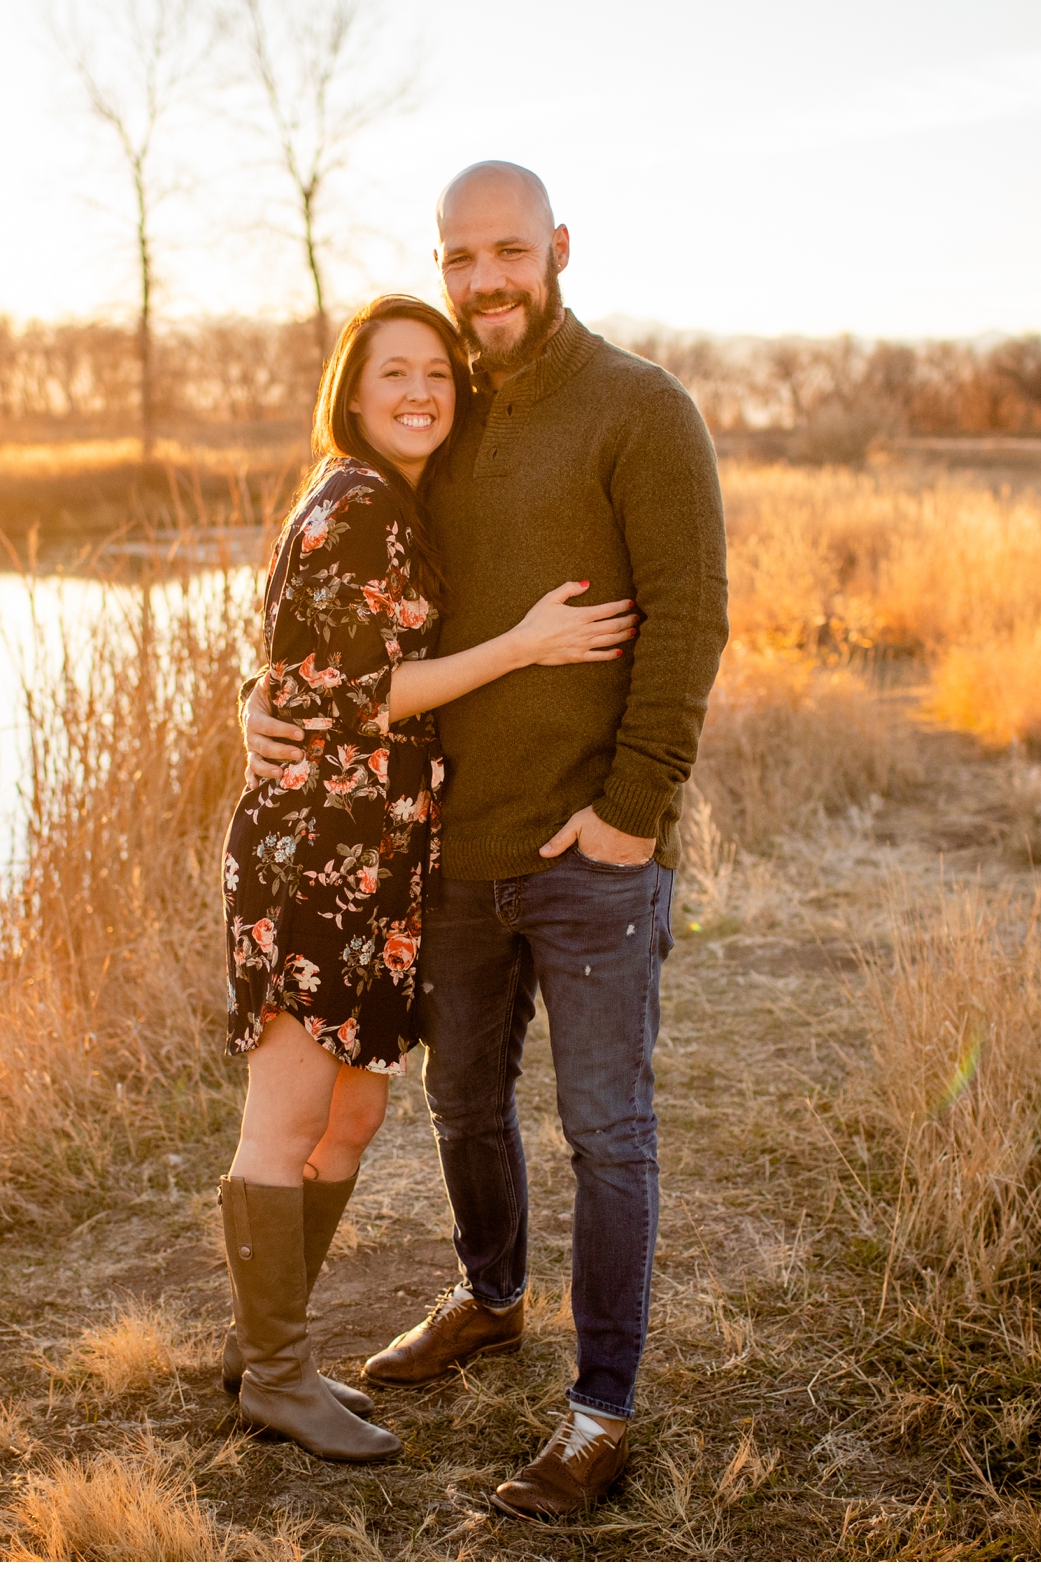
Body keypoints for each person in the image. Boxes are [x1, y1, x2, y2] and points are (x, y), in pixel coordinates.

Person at [244, 164, 729, 1517]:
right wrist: (258, 701)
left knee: (605, 1128)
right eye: (462, 260)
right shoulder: (439, 427)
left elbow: (689, 624)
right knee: (461, 1098)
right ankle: (492, 1295)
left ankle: (599, 1408)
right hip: (456, 847)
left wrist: (634, 810)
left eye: (508, 252)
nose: (486, 282)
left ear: (558, 248)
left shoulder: (642, 409)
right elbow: (339, 618)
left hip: (589, 850)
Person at [217, 292, 641, 1463]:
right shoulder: (360, 503)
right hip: (319, 854)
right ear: (352, 392)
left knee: (351, 1111)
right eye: (393, 373)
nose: (418, 392)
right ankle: (275, 1373)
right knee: (292, 1116)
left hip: (374, 856)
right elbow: (343, 690)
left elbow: (294, 667)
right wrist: (524, 644)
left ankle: (273, 1346)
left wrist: (260, 697)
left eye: (437, 375)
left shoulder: (380, 504)